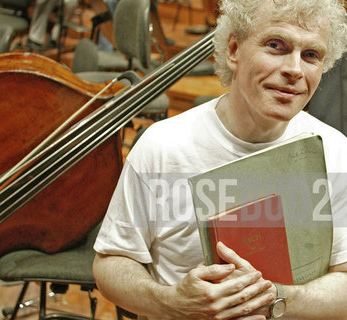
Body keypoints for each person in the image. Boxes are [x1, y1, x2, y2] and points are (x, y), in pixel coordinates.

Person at [93, 0, 347, 319]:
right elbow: (112, 261)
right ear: (234, 49)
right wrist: (171, 302)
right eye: (275, 45)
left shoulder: (336, 152)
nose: (295, 70)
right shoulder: (163, 147)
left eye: (311, 55)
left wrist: (272, 298)